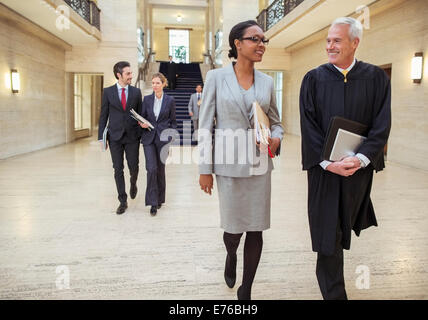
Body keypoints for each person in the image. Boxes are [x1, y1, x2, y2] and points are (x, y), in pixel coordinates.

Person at [299, 17, 391, 300]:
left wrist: (362, 159)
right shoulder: (313, 79)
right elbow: (308, 126)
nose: (330, 46)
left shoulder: (375, 78)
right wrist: (328, 163)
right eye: (328, 40)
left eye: (336, 40)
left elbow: (382, 124)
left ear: (355, 43)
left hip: (357, 171)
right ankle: (334, 293)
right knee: (329, 233)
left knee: (344, 225)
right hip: (324, 171)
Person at [198, 20, 284, 300]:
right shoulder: (215, 78)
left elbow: (276, 122)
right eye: (255, 39)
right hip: (228, 165)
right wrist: (204, 169)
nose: (262, 45)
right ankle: (231, 253)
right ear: (237, 43)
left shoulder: (268, 82)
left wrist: (277, 137)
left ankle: (246, 288)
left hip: (260, 164)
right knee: (234, 229)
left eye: (264, 40)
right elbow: (205, 126)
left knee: (257, 228)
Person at [98, 61, 143, 215]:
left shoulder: (136, 92)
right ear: (119, 75)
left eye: (131, 73)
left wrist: (142, 130)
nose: (131, 76)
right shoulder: (108, 92)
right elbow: (103, 115)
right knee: (118, 169)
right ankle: (122, 201)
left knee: (134, 166)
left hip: (132, 136)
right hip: (115, 136)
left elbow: (140, 115)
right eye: (128, 73)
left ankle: (133, 183)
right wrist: (101, 138)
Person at [139, 73, 177, 216]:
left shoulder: (170, 100)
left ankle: (160, 198)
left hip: (163, 139)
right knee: (151, 168)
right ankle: (153, 202)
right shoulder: (147, 99)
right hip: (148, 138)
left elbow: (173, 121)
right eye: (153, 83)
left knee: (160, 169)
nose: (154, 85)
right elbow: (142, 117)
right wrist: (141, 124)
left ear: (163, 84)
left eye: (157, 83)